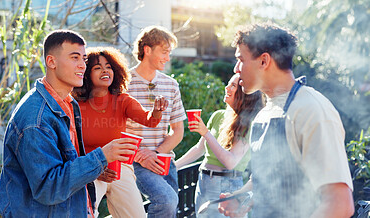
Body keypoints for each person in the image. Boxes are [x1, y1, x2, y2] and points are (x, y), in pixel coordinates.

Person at [218, 23, 355, 218]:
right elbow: (266, 179)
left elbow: (339, 205)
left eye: (241, 59)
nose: (236, 68)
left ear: (264, 61)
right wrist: (241, 197)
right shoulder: (265, 113)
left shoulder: (311, 109)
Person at [0, 30, 138, 217]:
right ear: (51, 61)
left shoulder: (69, 104)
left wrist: (94, 169)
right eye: (74, 58)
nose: (82, 66)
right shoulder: (35, 120)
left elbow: (68, 164)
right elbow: (49, 189)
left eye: (84, 59)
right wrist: (103, 156)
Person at [72, 46, 168, 218]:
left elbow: (150, 120)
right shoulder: (75, 106)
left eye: (108, 66)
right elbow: (70, 146)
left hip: (120, 168)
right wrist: (94, 169)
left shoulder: (123, 100)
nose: (105, 70)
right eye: (97, 67)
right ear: (86, 74)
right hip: (90, 168)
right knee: (84, 214)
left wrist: (157, 111)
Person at [175, 73, 263, 217]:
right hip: (203, 182)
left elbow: (230, 162)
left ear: (244, 94)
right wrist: (174, 166)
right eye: (228, 83)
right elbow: (199, 149)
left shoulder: (248, 124)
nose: (226, 87)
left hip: (226, 185)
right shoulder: (218, 116)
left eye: (233, 86)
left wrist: (206, 133)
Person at [126, 25, 186, 217]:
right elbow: (112, 130)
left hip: (164, 160)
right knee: (166, 201)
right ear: (147, 49)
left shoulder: (171, 84)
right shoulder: (123, 82)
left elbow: (178, 131)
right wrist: (140, 156)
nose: (168, 58)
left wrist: (155, 153)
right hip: (133, 162)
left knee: (170, 208)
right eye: (164, 52)